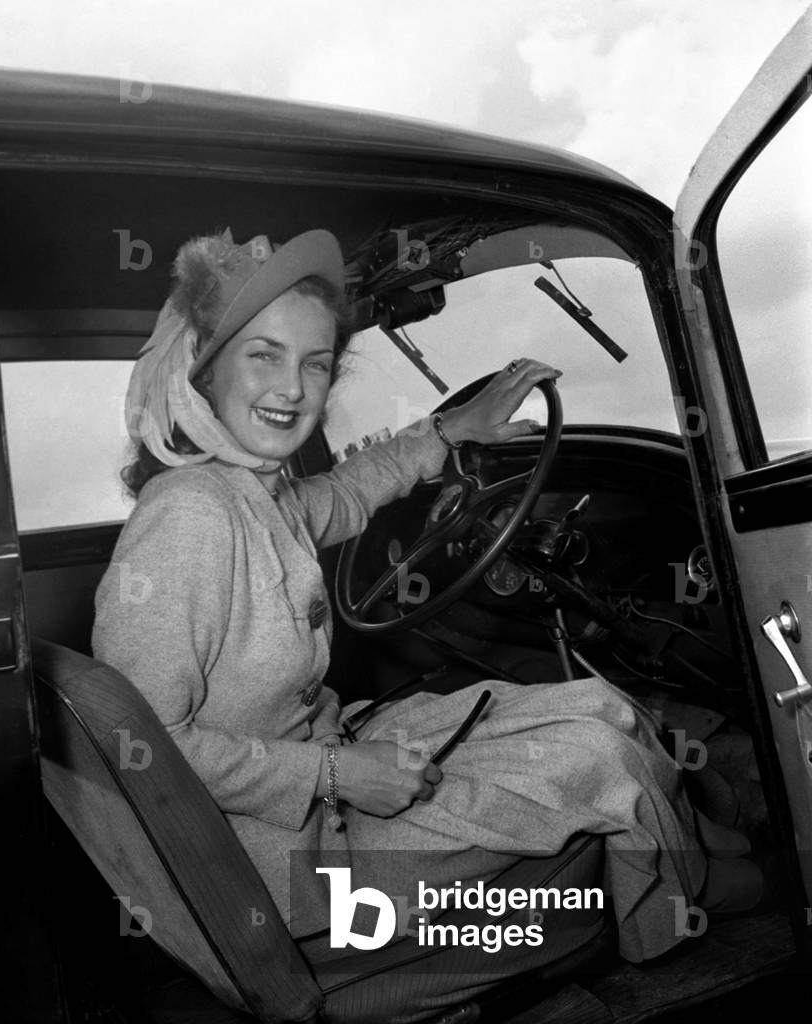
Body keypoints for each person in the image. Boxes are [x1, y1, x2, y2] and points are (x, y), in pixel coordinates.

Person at [92, 227, 761, 966]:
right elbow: (142, 752)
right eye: (263, 356)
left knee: (604, 706)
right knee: (598, 759)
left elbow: (347, 492)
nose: (292, 389)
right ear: (205, 374)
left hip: (327, 765)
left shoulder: (253, 492)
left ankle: (690, 845)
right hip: (276, 864)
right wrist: (337, 775)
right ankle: (680, 907)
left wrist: (447, 431)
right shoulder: (190, 515)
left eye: (316, 364)